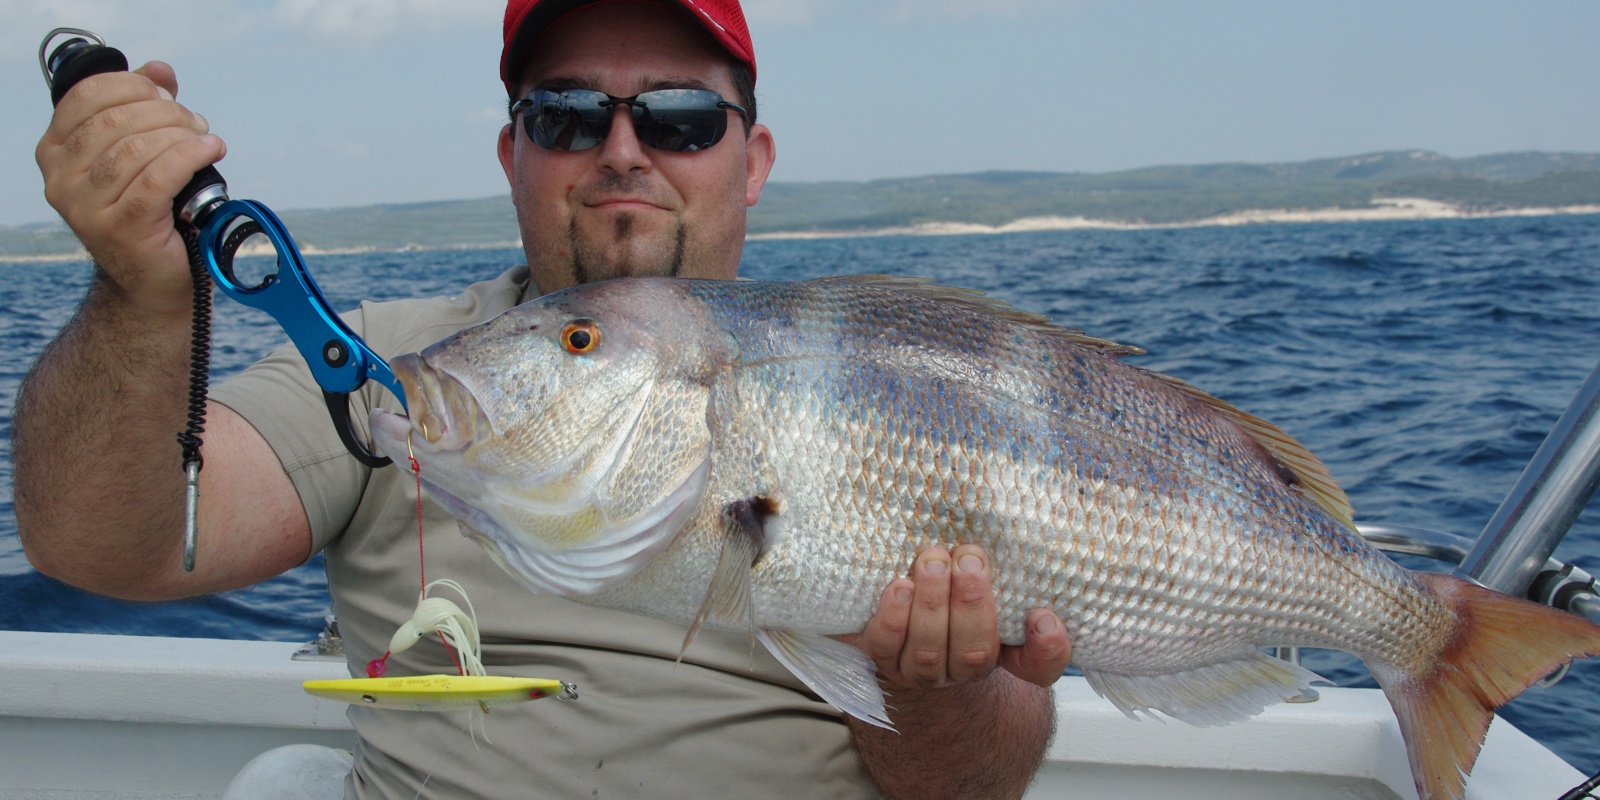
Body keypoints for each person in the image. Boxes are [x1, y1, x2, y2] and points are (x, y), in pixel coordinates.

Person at [18, 0, 1073, 796]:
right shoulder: (395, 369)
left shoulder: (903, 390)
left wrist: (936, 684)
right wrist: (138, 292)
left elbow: (972, 786)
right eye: (565, 115)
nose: (622, 151)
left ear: (749, 161)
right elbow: (104, 546)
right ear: (510, 153)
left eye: (680, 116)